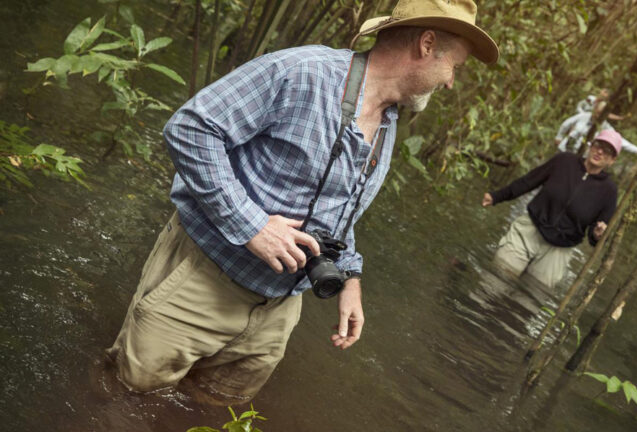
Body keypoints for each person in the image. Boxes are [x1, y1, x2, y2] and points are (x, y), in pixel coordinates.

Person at [106, 0, 499, 404]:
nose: (451, 82)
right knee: (123, 400)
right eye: (455, 65)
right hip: (204, 278)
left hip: (277, 314)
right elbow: (190, 128)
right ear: (427, 43)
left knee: (206, 413)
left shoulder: (388, 120)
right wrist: (252, 226)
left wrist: (349, 278)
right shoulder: (303, 71)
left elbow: (337, 208)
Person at [481, 129, 623, 288]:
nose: (600, 151)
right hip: (529, 231)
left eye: (607, 151)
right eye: (598, 145)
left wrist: (598, 235)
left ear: (612, 160)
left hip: (559, 249)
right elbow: (529, 181)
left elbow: (596, 233)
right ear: (591, 146)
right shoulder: (564, 161)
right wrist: (497, 196)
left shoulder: (609, 191)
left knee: (529, 301)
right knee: (494, 281)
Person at [556, 100, 637, 154]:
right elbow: (566, 124)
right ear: (595, 110)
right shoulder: (584, 116)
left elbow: (619, 140)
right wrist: (559, 136)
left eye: (601, 114)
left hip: (580, 154)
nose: (598, 116)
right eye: (597, 112)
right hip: (564, 149)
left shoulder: (605, 127)